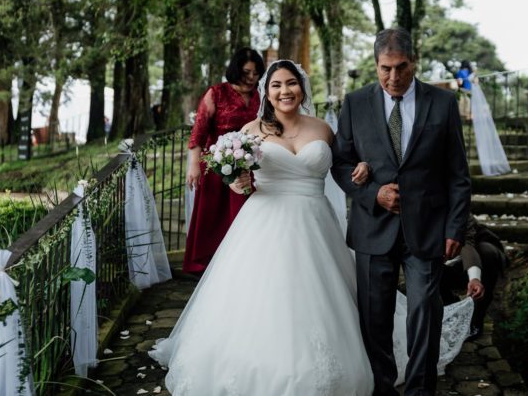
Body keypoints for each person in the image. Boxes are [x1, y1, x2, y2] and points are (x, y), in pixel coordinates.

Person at [150, 60, 375, 394]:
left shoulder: (324, 130)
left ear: (302, 87)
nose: (285, 91)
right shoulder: (249, 132)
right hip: (265, 221)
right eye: (276, 85)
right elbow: (234, 181)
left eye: (291, 83)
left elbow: (344, 165)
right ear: (266, 93)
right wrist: (238, 183)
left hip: (315, 222)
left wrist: (363, 168)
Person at [331, 28, 472, 396]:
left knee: (425, 312)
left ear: (414, 62)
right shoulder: (355, 103)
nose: (393, 77)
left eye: (401, 67)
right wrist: (374, 193)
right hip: (371, 228)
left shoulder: (442, 104)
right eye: (384, 68)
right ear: (375, 65)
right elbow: (340, 165)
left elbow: (458, 174)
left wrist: (456, 227)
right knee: (374, 317)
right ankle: (382, 388)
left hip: (427, 229)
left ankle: (420, 390)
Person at [182, 47, 265, 274]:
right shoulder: (216, 93)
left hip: (249, 164)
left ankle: (241, 261)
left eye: (256, 73)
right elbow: (199, 131)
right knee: (213, 216)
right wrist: (193, 165)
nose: (251, 78)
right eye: (247, 72)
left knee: (244, 215)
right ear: (236, 70)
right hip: (217, 163)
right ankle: (207, 264)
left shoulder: (261, 95)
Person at [441, 215, 507, 340]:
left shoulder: (459, 213)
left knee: (487, 253)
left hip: (478, 254)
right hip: (448, 261)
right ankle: (450, 304)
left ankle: (476, 318)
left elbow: (467, 244)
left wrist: (475, 279)